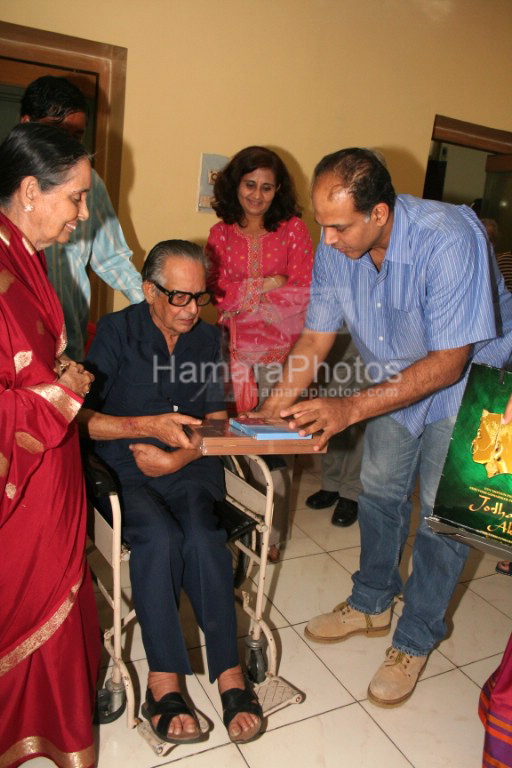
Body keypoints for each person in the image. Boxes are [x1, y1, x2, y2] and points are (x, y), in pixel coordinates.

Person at [257, 147, 512, 707]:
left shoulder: (449, 238)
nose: (327, 241)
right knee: (379, 492)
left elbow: (448, 361)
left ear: (379, 213)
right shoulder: (336, 243)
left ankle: (415, 638)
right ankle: (371, 603)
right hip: (397, 380)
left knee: (443, 519)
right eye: (322, 225)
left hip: (470, 382)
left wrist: (348, 408)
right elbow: (316, 337)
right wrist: (273, 407)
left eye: (340, 226)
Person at [80, 240, 263, 745]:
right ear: (148, 290)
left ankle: (229, 671)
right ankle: (164, 681)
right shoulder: (118, 332)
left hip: (189, 464)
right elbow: (84, 419)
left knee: (204, 536)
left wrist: (178, 455)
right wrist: (144, 427)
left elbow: (217, 420)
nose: (188, 310)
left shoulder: (208, 339)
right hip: (124, 466)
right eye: (177, 297)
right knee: (158, 538)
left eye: (198, 297)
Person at [0, 122, 99, 768]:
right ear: (31, 191)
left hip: (51, 471)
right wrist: (59, 394)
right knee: (26, 608)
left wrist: (59, 378)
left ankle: (57, 733)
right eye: (77, 198)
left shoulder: (21, 255)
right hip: (22, 487)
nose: (84, 214)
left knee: (63, 611)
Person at [206, 145, 313, 559]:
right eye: (250, 184)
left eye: (267, 187)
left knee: (275, 450)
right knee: (232, 445)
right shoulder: (220, 233)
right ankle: (241, 518)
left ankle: (273, 537)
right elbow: (217, 295)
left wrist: (249, 295)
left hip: (279, 359)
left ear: (278, 189)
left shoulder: (293, 231)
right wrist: (268, 283)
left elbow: (301, 290)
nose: (256, 195)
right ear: (236, 185)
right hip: (231, 355)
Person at [20, 76, 144, 359]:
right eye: (56, 129)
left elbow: (112, 258)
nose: (66, 143)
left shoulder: (90, 182)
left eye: (76, 136)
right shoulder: (8, 183)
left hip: (68, 346)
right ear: (26, 123)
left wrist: (154, 309)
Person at [305, 330, 364, 527]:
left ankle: (352, 491)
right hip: (342, 318)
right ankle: (331, 483)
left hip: (382, 323)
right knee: (331, 405)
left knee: (365, 414)